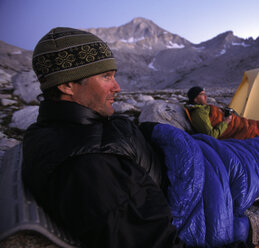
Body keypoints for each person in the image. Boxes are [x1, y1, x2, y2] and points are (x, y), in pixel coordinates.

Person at [22, 27, 184, 248]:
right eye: (106, 76)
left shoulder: (61, 128)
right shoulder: (91, 168)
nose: (117, 87)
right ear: (67, 85)